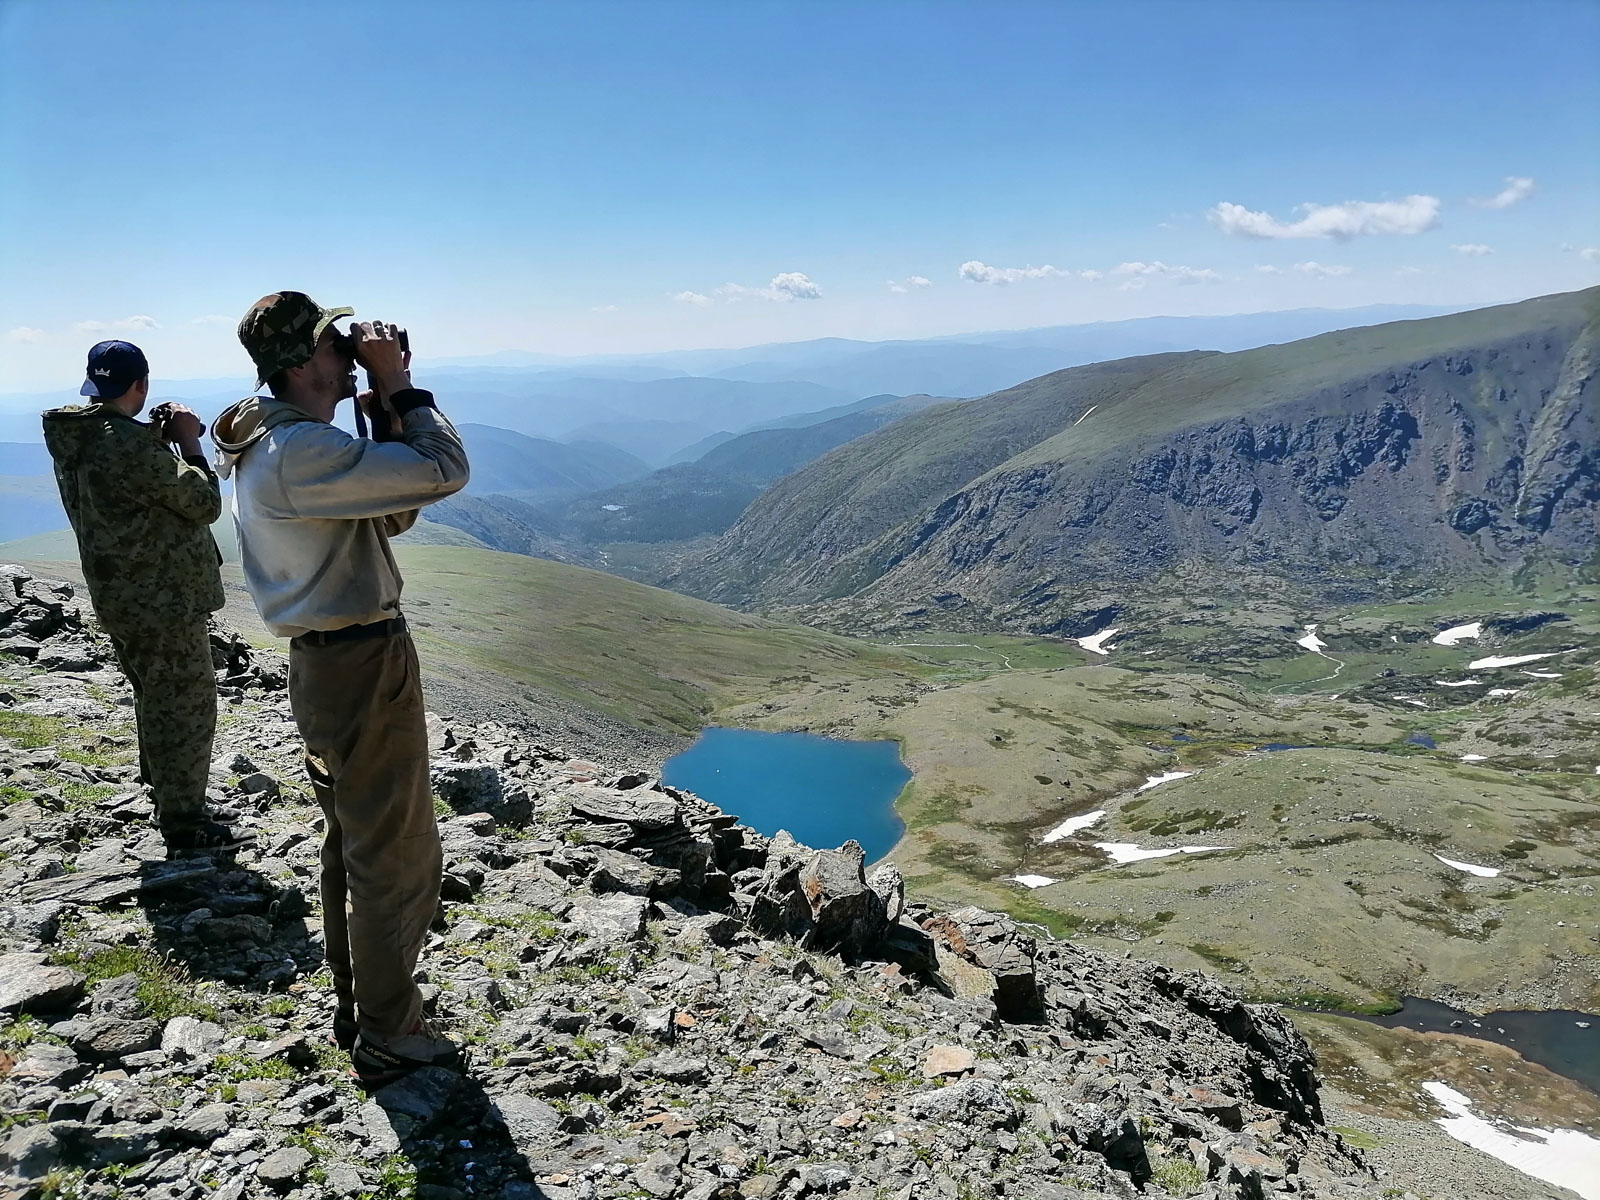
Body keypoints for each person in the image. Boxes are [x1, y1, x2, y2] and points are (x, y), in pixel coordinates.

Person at [211, 292, 470, 1085]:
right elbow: (444, 472)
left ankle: (363, 1006)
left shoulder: (280, 441)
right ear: (299, 363)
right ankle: (391, 1033)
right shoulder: (297, 452)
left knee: (355, 844)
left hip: (333, 665)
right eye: (334, 346)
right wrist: (402, 386)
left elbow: (390, 515)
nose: (348, 353)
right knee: (394, 854)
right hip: (359, 663)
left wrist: (378, 417)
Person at [42, 340, 239, 854]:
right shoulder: (125, 445)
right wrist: (190, 444)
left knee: (154, 695)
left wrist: (155, 437)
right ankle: (183, 820)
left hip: (121, 595)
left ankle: (164, 790)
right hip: (164, 599)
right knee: (185, 705)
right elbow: (202, 502)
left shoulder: (80, 436)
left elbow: (129, 483)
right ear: (141, 386)